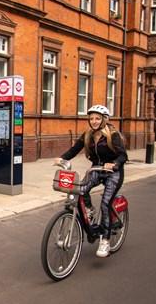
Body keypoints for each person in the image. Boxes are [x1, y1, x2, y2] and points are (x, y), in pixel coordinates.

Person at [55, 105, 128, 258]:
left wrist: (114, 164)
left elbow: (123, 156)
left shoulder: (112, 135)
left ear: (104, 119)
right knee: (79, 190)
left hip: (113, 173)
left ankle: (105, 240)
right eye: (91, 118)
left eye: (97, 118)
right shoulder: (88, 134)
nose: (94, 121)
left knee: (105, 203)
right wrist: (62, 158)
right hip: (96, 169)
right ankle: (89, 209)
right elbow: (75, 149)